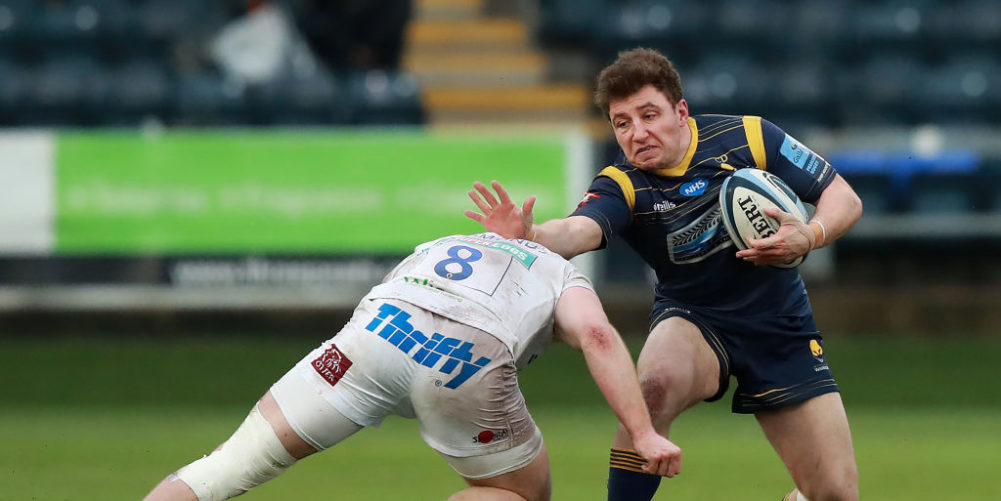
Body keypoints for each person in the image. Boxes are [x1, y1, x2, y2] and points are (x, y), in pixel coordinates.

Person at [465, 47, 863, 501]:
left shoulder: (748, 137)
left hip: (779, 325)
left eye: (649, 115)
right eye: (622, 123)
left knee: (834, 493)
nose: (638, 133)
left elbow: (843, 197)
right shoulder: (623, 183)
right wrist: (531, 234)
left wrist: (809, 235)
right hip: (694, 318)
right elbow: (579, 229)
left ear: (680, 111)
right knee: (650, 389)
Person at [144, 232, 682, 501]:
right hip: (463, 359)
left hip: (374, 334)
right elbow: (594, 334)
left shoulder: (446, 240)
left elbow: (390, 292)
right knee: (520, 496)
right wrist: (642, 432)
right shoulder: (562, 273)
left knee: (224, 468)